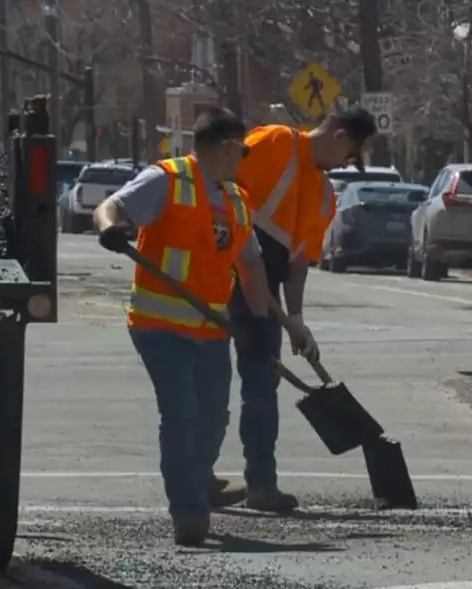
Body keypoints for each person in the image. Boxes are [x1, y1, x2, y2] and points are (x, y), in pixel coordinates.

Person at [93, 109, 277, 547]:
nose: (244, 159)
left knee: (213, 419)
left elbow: (250, 263)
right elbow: (111, 206)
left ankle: (196, 485)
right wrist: (110, 228)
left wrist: (262, 324)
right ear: (229, 147)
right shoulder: (168, 180)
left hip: (212, 329)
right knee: (182, 416)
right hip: (161, 327)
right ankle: (189, 512)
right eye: (243, 151)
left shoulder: (235, 199)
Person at [212, 107, 378, 513]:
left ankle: (262, 485)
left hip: (262, 292)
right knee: (208, 386)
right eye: (350, 154)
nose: (346, 163)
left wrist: (297, 321)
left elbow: (298, 262)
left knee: (260, 388)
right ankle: (197, 478)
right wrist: (239, 259)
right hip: (215, 278)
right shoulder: (275, 142)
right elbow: (216, 191)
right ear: (339, 137)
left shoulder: (323, 194)